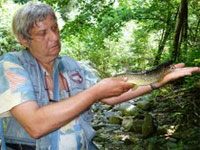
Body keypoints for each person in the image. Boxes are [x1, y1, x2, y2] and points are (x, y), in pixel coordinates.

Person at [0, 2, 199, 150]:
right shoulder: (12, 65)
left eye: (54, 28)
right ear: (24, 39)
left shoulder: (71, 65)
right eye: (43, 33)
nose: (54, 37)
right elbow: (35, 125)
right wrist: (94, 92)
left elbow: (110, 95)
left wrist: (158, 81)